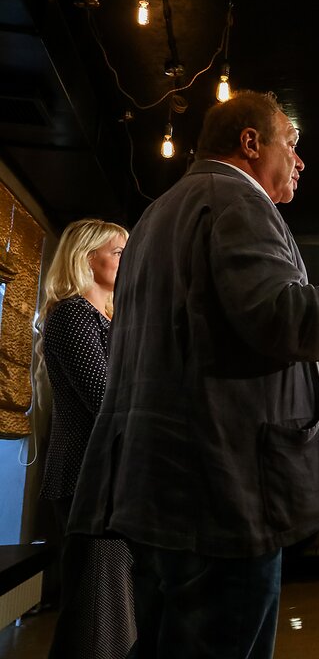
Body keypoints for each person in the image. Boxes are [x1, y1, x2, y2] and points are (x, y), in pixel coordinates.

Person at [69, 91, 319, 657]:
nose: (301, 161)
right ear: (251, 143)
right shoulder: (237, 201)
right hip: (223, 489)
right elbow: (284, 317)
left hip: (156, 488)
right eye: (291, 143)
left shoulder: (156, 216)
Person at [37, 219, 135, 659]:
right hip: (86, 476)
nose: (128, 261)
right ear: (86, 258)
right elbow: (104, 397)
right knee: (97, 614)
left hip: (111, 476)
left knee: (111, 610)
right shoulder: (72, 314)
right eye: (118, 253)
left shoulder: (113, 317)